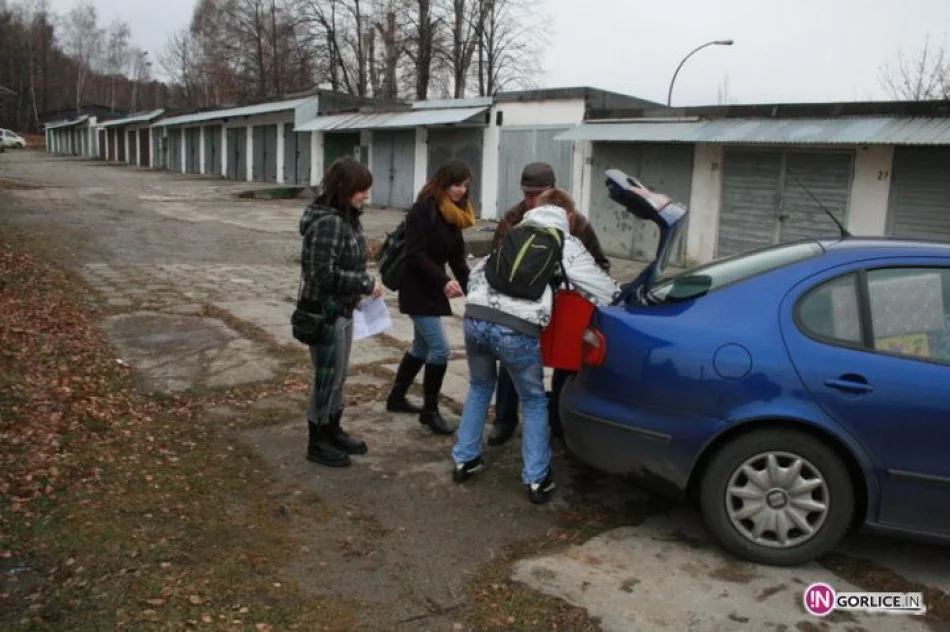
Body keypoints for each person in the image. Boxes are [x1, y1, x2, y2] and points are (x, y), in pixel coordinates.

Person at [451, 188, 619, 504]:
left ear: (537, 208)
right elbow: (605, 290)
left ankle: (465, 460)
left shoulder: (516, 232)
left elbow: (477, 274)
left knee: (478, 387)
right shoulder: (566, 242)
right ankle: (536, 479)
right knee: (533, 399)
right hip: (515, 330)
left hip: (475, 318)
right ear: (569, 216)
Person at [488, 162, 611, 447]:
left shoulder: (575, 222)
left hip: (562, 309)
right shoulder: (513, 219)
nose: (532, 201)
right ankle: (504, 421)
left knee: (565, 367)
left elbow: (601, 265)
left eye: (538, 193)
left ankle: (558, 423)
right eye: (527, 194)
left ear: (552, 191)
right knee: (509, 363)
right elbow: (496, 260)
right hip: (521, 306)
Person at [298, 156, 382, 468]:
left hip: (342, 310)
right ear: (344, 188)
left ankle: (332, 428)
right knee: (326, 378)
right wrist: (362, 282)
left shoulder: (346, 217)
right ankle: (316, 440)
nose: (366, 196)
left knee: (338, 377)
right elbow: (321, 273)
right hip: (323, 313)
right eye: (361, 189)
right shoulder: (330, 223)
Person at [385, 159, 474, 435]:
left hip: (432, 288)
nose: (460, 190)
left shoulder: (454, 215)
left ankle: (396, 398)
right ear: (443, 183)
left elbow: (457, 258)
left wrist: (474, 292)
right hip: (415, 287)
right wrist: (444, 281)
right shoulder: (422, 210)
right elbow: (415, 254)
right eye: (456, 184)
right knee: (440, 349)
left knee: (422, 347)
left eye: (465, 186)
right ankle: (429, 411)